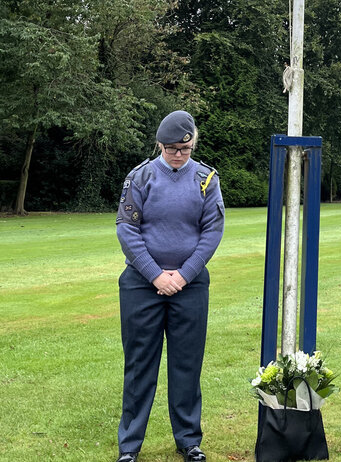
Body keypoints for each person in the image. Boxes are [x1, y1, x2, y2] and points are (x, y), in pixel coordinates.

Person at [115, 111, 225, 462]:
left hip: (189, 286)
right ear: (159, 145)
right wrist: (156, 275)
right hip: (141, 284)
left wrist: (183, 274)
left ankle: (189, 441)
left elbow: (212, 232)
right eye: (172, 149)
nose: (179, 155)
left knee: (187, 365)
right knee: (139, 365)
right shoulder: (139, 177)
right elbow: (127, 230)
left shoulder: (207, 179)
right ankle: (130, 445)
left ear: (193, 143)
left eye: (185, 148)